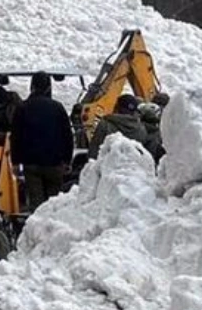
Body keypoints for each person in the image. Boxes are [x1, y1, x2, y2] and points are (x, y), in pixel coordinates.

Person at [10, 72, 74, 210]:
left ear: (32, 86)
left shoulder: (22, 107)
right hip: (54, 164)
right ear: (49, 87)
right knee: (55, 204)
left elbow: (15, 136)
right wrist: (67, 160)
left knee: (37, 205)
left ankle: (37, 228)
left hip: (31, 164)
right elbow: (67, 136)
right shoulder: (58, 107)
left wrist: (15, 162)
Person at [89, 94, 162, 162]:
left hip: (106, 170)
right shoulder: (141, 129)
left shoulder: (105, 124)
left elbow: (94, 150)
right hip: (131, 171)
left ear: (117, 107)